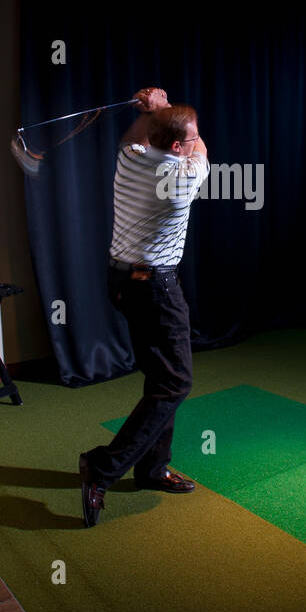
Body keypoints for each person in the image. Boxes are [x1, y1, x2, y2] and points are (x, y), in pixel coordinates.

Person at [79, 87, 210, 527]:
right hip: (155, 287)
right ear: (177, 147)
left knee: (161, 379)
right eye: (187, 138)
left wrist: (154, 113)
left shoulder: (131, 156)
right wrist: (164, 112)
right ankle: (103, 467)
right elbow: (201, 151)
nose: (194, 141)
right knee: (175, 384)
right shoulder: (182, 179)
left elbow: (136, 137)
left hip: (120, 281)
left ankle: (152, 468)